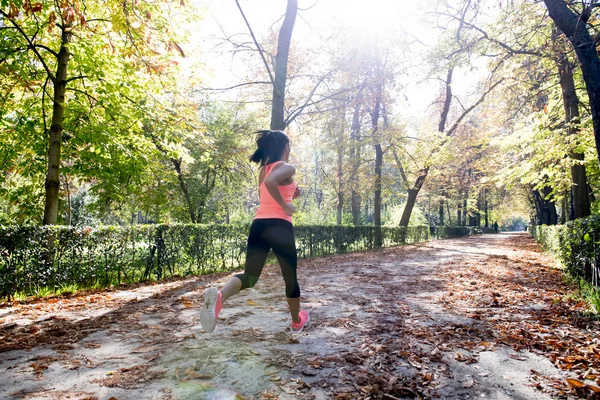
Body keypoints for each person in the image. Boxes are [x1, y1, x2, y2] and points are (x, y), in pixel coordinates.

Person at [200, 130, 310, 334]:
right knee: (290, 277)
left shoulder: (263, 170)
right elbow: (272, 186)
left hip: (259, 224)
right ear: (285, 147)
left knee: (250, 275)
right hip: (280, 226)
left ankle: (220, 297)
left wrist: (290, 196)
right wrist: (286, 207)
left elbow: (269, 191)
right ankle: (296, 322)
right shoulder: (288, 167)